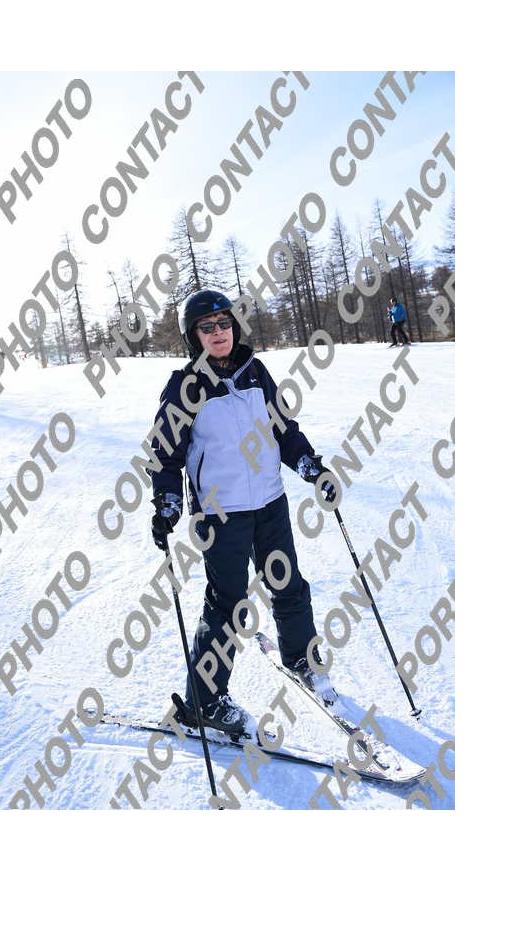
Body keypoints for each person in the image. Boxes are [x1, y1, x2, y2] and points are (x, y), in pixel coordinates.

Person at [147, 289, 337, 736]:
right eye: (207, 327)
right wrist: (167, 502)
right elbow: (165, 454)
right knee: (228, 605)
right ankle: (203, 702)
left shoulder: (256, 372)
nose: (219, 333)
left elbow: (283, 429)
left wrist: (309, 465)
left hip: (269, 502)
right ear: (193, 336)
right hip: (220, 514)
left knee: (287, 584)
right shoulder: (184, 388)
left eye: (224, 323)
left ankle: (301, 658)